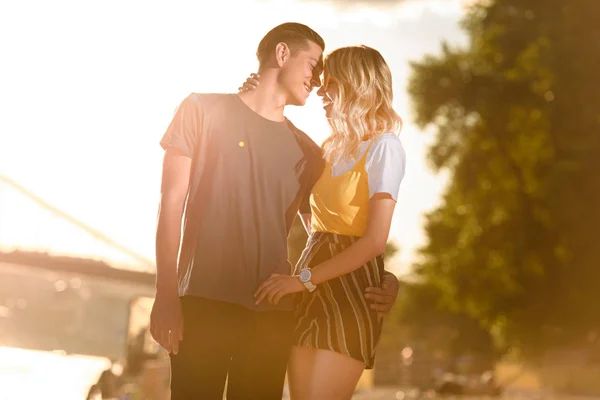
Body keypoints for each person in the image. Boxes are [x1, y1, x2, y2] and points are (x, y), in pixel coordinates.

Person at [150, 22, 399, 400]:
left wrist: (381, 278)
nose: (318, 82)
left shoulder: (310, 153)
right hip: (202, 304)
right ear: (282, 55)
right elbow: (170, 206)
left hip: (273, 315)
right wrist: (166, 295)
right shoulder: (200, 109)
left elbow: (331, 230)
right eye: (313, 66)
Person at [243, 45, 406, 399]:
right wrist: (260, 96)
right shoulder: (330, 150)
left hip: (347, 294)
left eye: (329, 82)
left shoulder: (385, 147)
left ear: (354, 85)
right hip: (310, 284)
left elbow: (374, 241)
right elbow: (315, 223)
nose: (320, 91)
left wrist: (302, 281)